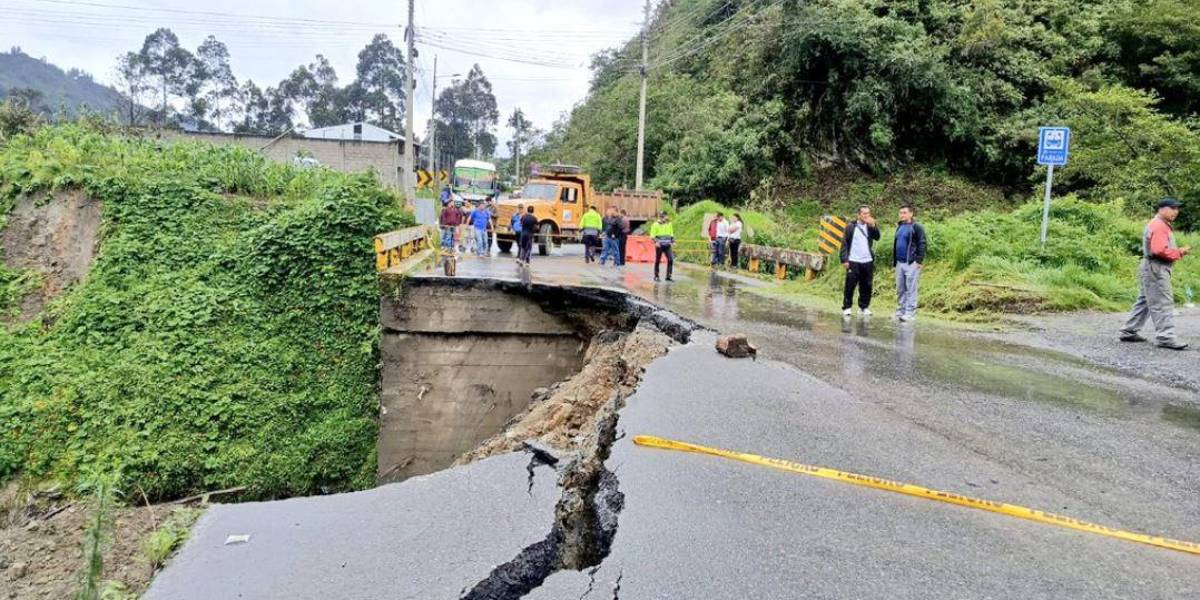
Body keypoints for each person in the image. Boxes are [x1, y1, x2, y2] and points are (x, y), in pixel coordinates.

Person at [1120, 198, 1191, 350]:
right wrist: (1179, 251)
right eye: (1172, 208)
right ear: (1162, 209)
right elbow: (1159, 250)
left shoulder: (1158, 224)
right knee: (1163, 302)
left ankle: (1129, 331)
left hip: (1151, 267)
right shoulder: (1159, 225)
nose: (1176, 211)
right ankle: (1165, 337)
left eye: (1177, 208)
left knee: (1145, 301)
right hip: (1156, 268)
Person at [839, 205, 881, 317]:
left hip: (867, 260)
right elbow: (844, 244)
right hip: (853, 260)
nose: (867, 216)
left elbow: (877, 237)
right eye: (864, 213)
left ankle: (863, 307)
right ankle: (847, 307)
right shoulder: (850, 227)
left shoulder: (869, 226)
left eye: (868, 213)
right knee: (850, 285)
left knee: (866, 285)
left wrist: (873, 226)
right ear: (859, 215)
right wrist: (844, 259)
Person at [892, 204, 928, 322]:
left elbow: (922, 243)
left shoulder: (916, 227)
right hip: (899, 263)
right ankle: (900, 312)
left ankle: (910, 313)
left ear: (911, 214)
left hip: (911, 263)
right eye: (901, 212)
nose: (902, 215)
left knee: (911, 289)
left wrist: (919, 260)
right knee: (900, 289)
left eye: (904, 212)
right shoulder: (900, 226)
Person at [650, 211, 675, 282]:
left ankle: (668, 276)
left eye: (665, 216)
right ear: (660, 217)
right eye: (662, 216)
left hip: (667, 245)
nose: (664, 218)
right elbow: (652, 235)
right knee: (658, 260)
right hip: (659, 245)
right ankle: (656, 276)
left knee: (671, 259)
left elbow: (671, 233)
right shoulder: (655, 225)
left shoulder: (669, 224)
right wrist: (655, 242)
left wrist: (672, 240)